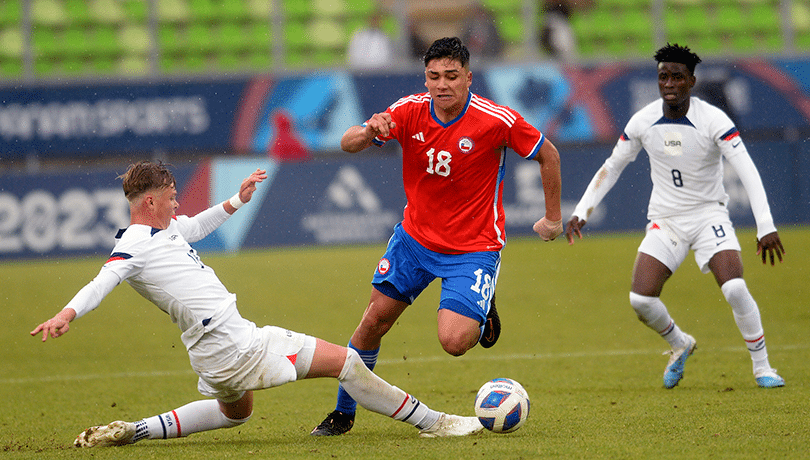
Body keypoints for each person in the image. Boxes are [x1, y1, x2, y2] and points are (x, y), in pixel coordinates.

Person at [30, 161, 484, 448]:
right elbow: (102, 280)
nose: (176, 205)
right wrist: (67, 313)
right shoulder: (133, 244)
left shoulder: (162, 230)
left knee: (236, 413)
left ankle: (138, 430)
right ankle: (437, 421)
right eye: (171, 199)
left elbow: (195, 225)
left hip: (209, 351)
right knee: (347, 362)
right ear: (150, 201)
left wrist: (235, 200)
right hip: (234, 343)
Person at [311, 37, 562, 436]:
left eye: (451, 76)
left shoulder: (496, 119)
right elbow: (348, 142)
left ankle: (482, 309)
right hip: (414, 242)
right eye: (433, 76)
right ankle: (343, 413)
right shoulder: (408, 110)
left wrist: (552, 218)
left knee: (454, 341)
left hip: (473, 248)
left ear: (468, 78)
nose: (442, 84)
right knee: (374, 321)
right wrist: (368, 130)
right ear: (424, 78)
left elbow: (548, 153)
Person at [564, 43, 786, 389]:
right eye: (663, 76)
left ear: (691, 81)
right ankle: (680, 343)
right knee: (640, 298)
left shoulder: (713, 120)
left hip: (708, 216)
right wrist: (582, 210)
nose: (669, 83)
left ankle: (763, 368)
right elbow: (612, 166)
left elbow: (747, 170)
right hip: (666, 220)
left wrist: (766, 225)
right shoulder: (643, 120)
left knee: (736, 288)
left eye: (677, 77)